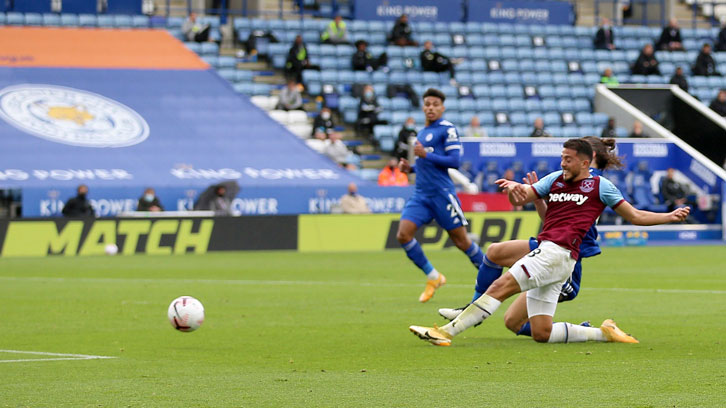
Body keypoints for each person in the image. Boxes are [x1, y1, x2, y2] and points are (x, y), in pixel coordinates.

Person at [410, 138, 690, 346]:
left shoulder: (600, 186)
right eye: (562, 157)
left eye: (568, 159)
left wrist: (669, 216)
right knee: (541, 332)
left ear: (584, 162)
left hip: (559, 255)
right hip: (553, 254)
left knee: (501, 285)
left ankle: (446, 332)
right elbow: (524, 197)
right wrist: (513, 190)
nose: (562, 163)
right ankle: (602, 333)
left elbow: (636, 215)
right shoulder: (555, 179)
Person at [438, 137, 624, 341]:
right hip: (549, 247)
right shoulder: (572, 178)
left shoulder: (593, 183)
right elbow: (551, 220)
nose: (564, 162)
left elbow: (629, 214)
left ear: (590, 157)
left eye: (570, 157)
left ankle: (469, 312)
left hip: (565, 259)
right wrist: (536, 197)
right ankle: (594, 333)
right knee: (513, 320)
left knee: (496, 258)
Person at [396, 88, 484, 302]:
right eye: (427, 104)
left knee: (462, 241)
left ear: (442, 108)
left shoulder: (447, 129)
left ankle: (490, 275)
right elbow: (427, 163)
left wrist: (426, 154)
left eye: (435, 104)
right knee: (403, 234)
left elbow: (454, 161)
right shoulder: (422, 132)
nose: (431, 108)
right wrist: (412, 169)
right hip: (421, 195)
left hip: (441, 194)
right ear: (423, 107)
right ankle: (433, 276)